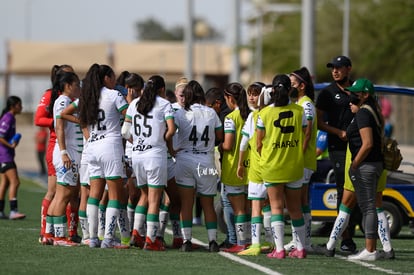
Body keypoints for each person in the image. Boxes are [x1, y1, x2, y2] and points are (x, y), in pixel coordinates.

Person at [79, 63, 131, 249]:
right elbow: (129, 114)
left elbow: (81, 121)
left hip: (92, 146)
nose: (115, 81)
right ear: (106, 78)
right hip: (110, 145)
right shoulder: (114, 95)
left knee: (94, 194)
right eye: (113, 77)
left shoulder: (87, 97)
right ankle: (108, 238)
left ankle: (93, 238)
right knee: (114, 194)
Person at [122, 75, 175, 251]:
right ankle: (152, 240)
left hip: (137, 155)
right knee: (154, 199)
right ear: (161, 89)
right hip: (155, 155)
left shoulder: (134, 103)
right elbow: (172, 129)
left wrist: (136, 142)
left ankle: (137, 233)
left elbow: (124, 132)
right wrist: (163, 140)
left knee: (144, 196)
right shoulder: (164, 104)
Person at [256, 74, 307, 259]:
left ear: (273, 90)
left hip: (273, 166)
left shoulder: (264, 113)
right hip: (294, 166)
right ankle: (300, 249)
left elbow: (259, 143)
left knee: (276, 207)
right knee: (295, 208)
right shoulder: (299, 111)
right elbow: (303, 136)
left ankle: (279, 249)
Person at [173, 80, 223, 252]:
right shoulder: (211, 113)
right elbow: (219, 135)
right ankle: (213, 242)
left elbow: (170, 131)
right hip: (206, 160)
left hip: (185, 158)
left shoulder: (181, 113)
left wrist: (172, 150)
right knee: (208, 203)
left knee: (186, 203)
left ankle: (186, 241)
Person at [35, 64, 81, 243]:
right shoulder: (63, 101)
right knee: (63, 195)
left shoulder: (63, 100)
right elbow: (59, 127)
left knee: (61, 195)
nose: (78, 88)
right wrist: (63, 152)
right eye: (76, 84)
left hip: (64, 151)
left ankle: (49, 234)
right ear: (68, 85)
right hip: (64, 152)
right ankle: (60, 236)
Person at [315, 55, 356, 252]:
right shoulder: (326, 93)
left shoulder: (359, 89)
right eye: (332, 68)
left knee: (359, 191)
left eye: (339, 67)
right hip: (338, 148)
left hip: (359, 147)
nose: (335, 71)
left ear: (348, 68)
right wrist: (338, 132)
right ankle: (346, 238)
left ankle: (359, 236)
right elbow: (319, 122)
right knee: (343, 189)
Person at [345, 78, 384, 260]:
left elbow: (367, 143)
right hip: (374, 164)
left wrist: (355, 164)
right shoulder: (373, 110)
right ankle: (372, 248)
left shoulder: (363, 114)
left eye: (356, 92)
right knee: (370, 207)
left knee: (368, 208)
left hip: (366, 165)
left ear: (365, 95)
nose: (352, 95)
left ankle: (370, 250)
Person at [237, 84, 274, 256]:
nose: (252, 98)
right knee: (274, 205)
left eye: (256, 94)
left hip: (258, 167)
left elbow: (244, 143)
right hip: (278, 165)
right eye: (250, 94)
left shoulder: (254, 116)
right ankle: (274, 242)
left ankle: (256, 244)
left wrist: (239, 164)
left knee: (256, 205)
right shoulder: (281, 111)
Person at [284, 67, 317, 252]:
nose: (290, 87)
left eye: (293, 83)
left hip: (303, 161)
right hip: (302, 161)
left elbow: (307, 133)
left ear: (302, 86)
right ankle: (302, 241)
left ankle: (303, 242)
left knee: (298, 202)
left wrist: (298, 157)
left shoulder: (305, 104)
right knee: (300, 202)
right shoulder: (300, 103)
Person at [220, 82, 252, 253]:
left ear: (230, 98)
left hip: (234, 168)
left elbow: (228, 145)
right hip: (251, 166)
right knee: (248, 208)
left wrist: (219, 146)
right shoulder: (253, 115)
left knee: (239, 209)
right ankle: (249, 241)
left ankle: (241, 242)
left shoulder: (231, 118)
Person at [0, 96, 25, 220]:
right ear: (13, 106)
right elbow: (0, 136)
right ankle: (13, 211)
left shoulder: (11, 118)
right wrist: (10, 144)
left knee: (5, 183)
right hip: (5, 156)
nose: (22, 107)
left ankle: (0, 211)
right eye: (19, 105)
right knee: (15, 182)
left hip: (5, 155)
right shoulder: (8, 117)